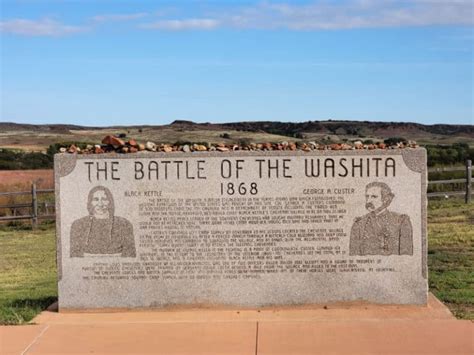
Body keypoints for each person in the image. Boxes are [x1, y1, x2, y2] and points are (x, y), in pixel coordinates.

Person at [349, 182, 413, 256]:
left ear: (385, 199)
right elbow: (354, 256)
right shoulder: (359, 224)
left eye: (374, 196)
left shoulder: (401, 221)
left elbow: (406, 257)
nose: (368, 201)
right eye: (367, 196)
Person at [70, 186, 136, 257]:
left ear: (110, 201)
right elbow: (75, 255)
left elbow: (130, 254)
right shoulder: (78, 225)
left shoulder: (124, 224)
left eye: (104, 199)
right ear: (90, 202)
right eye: (96, 199)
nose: (100, 204)